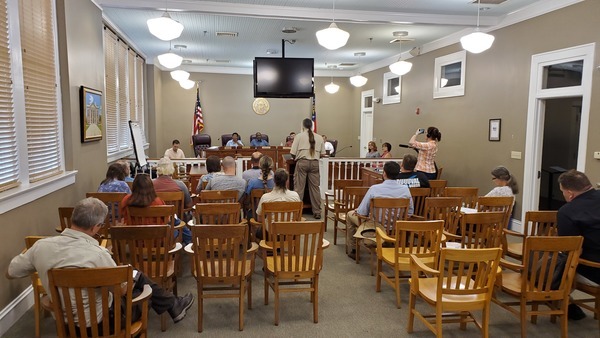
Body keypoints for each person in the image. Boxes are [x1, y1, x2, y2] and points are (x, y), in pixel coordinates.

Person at [6, 197, 194, 327]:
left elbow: (11, 272)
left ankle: (172, 303)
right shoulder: (97, 255)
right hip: (103, 321)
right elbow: (120, 290)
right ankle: (171, 303)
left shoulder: (41, 247)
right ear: (96, 227)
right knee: (144, 289)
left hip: (64, 320)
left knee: (136, 275)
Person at [345, 161, 413, 259]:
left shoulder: (374, 189)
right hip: (395, 226)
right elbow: (410, 212)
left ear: (384, 173)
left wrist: (357, 211)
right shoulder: (405, 189)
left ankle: (353, 249)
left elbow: (362, 212)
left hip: (375, 227)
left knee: (349, 214)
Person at [556, 170, 600, 320]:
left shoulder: (567, 211)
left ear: (570, 193)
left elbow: (569, 250)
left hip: (594, 270)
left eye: (562, 191)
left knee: (546, 266)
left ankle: (566, 303)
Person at [153, 157, 194, 243]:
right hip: (176, 219)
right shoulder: (180, 185)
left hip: (155, 220)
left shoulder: (150, 184)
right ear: (171, 169)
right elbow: (189, 205)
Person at [290, 118, 325, 219]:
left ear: (303, 126)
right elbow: (323, 154)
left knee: (299, 188)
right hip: (314, 163)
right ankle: (317, 211)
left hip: (302, 162)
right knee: (315, 188)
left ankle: (297, 211)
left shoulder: (299, 136)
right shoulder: (319, 137)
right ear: (312, 126)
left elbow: (292, 153)